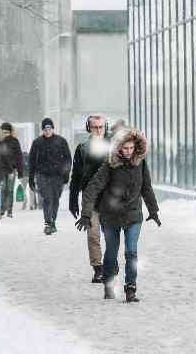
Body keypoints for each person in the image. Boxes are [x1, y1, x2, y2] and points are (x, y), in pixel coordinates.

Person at [76, 127, 160, 302]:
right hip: (111, 215)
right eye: (125, 148)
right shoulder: (110, 165)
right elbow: (92, 188)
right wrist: (86, 214)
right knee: (111, 252)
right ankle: (108, 283)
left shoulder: (141, 163)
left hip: (133, 215)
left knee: (131, 252)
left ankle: (131, 288)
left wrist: (154, 211)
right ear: (119, 148)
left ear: (136, 147)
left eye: (131, 148)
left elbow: (147, 188)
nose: (128, 152)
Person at [69, 114, 111, 283]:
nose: (98, 130)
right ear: (89, 128)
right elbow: (76, 175)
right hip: (90, 197)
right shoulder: (82, 149)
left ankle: (110, 264)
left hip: (110, 197)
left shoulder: (114, 147)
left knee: (110, 235)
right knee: (93, 235)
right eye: (95, 127)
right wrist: (72, 199)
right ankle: (98, 268)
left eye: (101, 127)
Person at [28, 118, 72, 235]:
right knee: (47, 199)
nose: (47, 130)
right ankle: (48, 223)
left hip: (58, 175)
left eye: (49, 128)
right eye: (45, 128)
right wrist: (31, 177)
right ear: (42, 130)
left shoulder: (61, 141)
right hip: (42, 175)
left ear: (52, 128)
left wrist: (66, 173)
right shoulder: (37, 143)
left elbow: (68, 159)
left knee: (55, 199)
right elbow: (32, 161)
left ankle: (53, 220)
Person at [0, 122, 24, 218]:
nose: (5, 134)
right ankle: (2, 208)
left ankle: (9, 210)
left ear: (10, 132)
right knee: (3, 189)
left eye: (7, 132)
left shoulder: (14, 141)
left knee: (9, 190)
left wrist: (20, 170)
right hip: (1, 170)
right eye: (3, 132)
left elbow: (19, 157)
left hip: (11, 169)